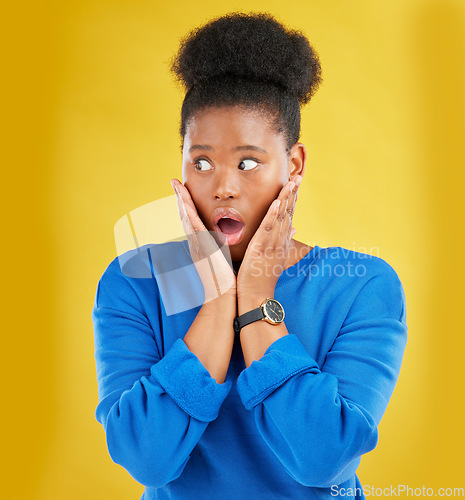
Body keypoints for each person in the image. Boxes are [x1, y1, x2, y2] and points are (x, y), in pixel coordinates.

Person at [92, 11, 408, 500]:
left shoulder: (362, 285)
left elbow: (325, 461)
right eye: (201, 162)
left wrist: (256, 292)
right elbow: (147, 459)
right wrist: (219, 299)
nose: (223, 187)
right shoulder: (135, 281)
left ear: (294, 165)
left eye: (247, 162)